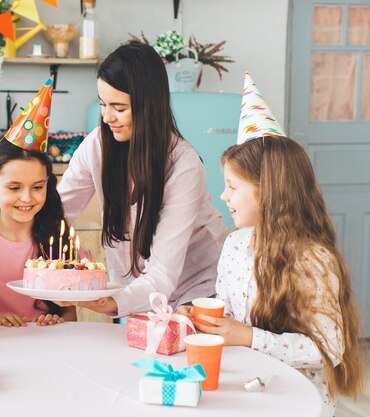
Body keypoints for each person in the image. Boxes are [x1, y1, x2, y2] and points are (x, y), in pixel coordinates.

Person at [178, 73, 364, 415]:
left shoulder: (312, 261)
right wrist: (202, 320)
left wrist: (248, 337)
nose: (223, 196)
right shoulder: (234, 246)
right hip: (246, 389)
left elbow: (329, 349)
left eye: (233, 187)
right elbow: (231, 315)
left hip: (294, 400)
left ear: (268, 190)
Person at [56, 41, 228, 316]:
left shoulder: (183, 166)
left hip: (199, 288)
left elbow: (162, 274)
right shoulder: (96, 146)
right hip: (142, 289)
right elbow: (57, 212)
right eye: (103, 104)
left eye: (119, 107)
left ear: (148, 105)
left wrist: (110, 302)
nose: (107, 117)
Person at [0, 77, 76, 327]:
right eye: (14, 187)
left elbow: (70, 314)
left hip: (48, 344)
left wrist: (56, 321)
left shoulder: (57, 236)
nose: (27, 198)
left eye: (37, 187)